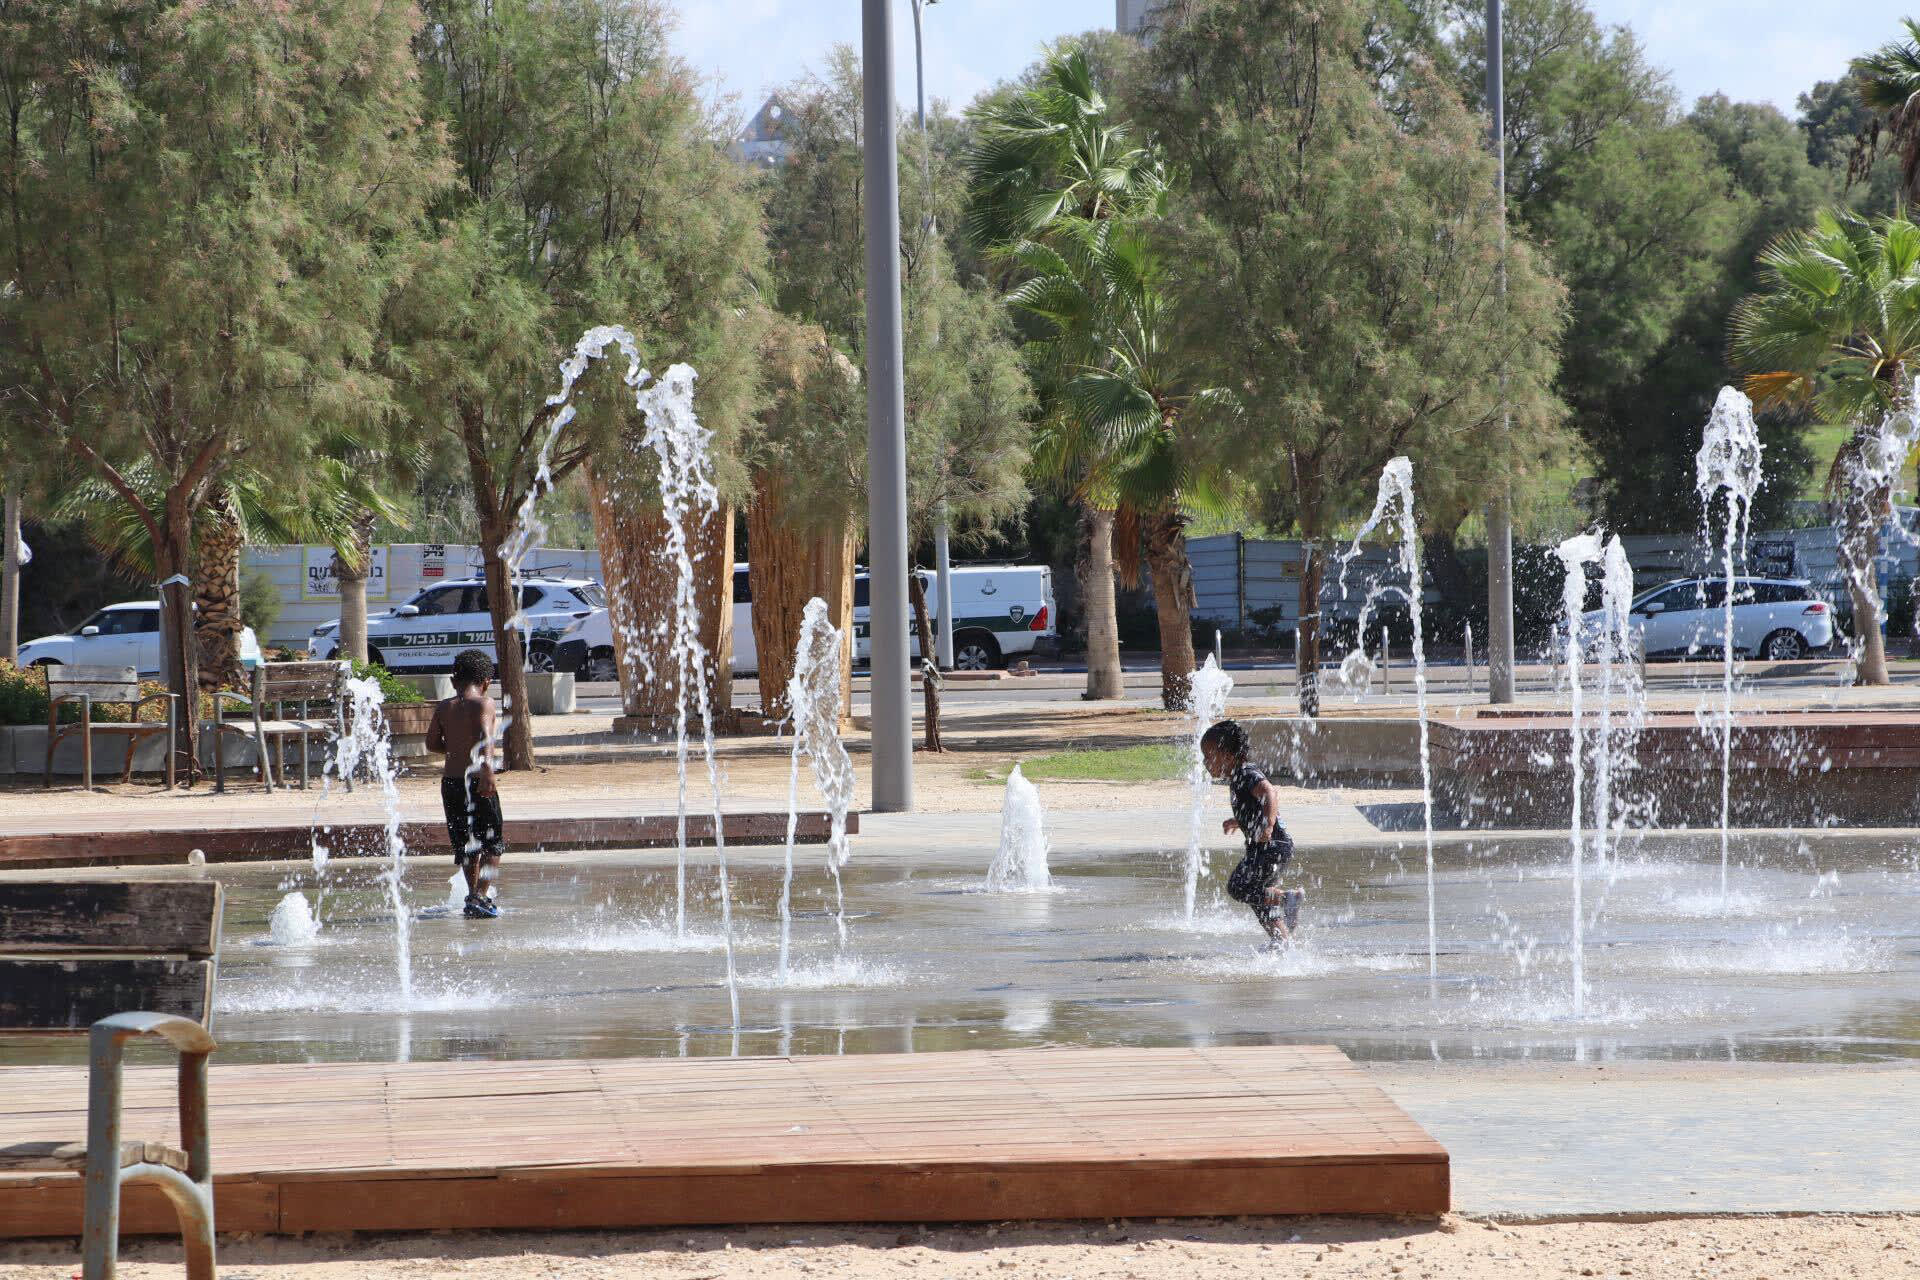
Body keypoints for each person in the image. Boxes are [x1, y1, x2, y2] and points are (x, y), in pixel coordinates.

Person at [1200, 719, 1303, 945]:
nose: (1206, 762)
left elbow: (1269, 792)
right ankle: (1282, 944)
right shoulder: (1238, 778)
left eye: (1209, 756)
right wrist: (1239, 821)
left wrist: (1267, 823)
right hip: (1272, 848)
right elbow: (1254, 805)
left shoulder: (1245, 773)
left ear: (1227, 754)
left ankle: (1286, 899)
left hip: (1270, 847)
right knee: (1261, 901)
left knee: (1238, 887)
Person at [426, 649, 505, 919]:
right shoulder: (484, 703)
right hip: (477, 781)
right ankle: (481, 896)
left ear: (452, 680)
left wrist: (456, 750)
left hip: (451, 783)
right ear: (486, 681)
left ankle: (472, 895)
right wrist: (487, 769)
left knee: (466, 845)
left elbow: (432, 744)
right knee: (493, 844)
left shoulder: (444, 707)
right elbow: (486, 738)